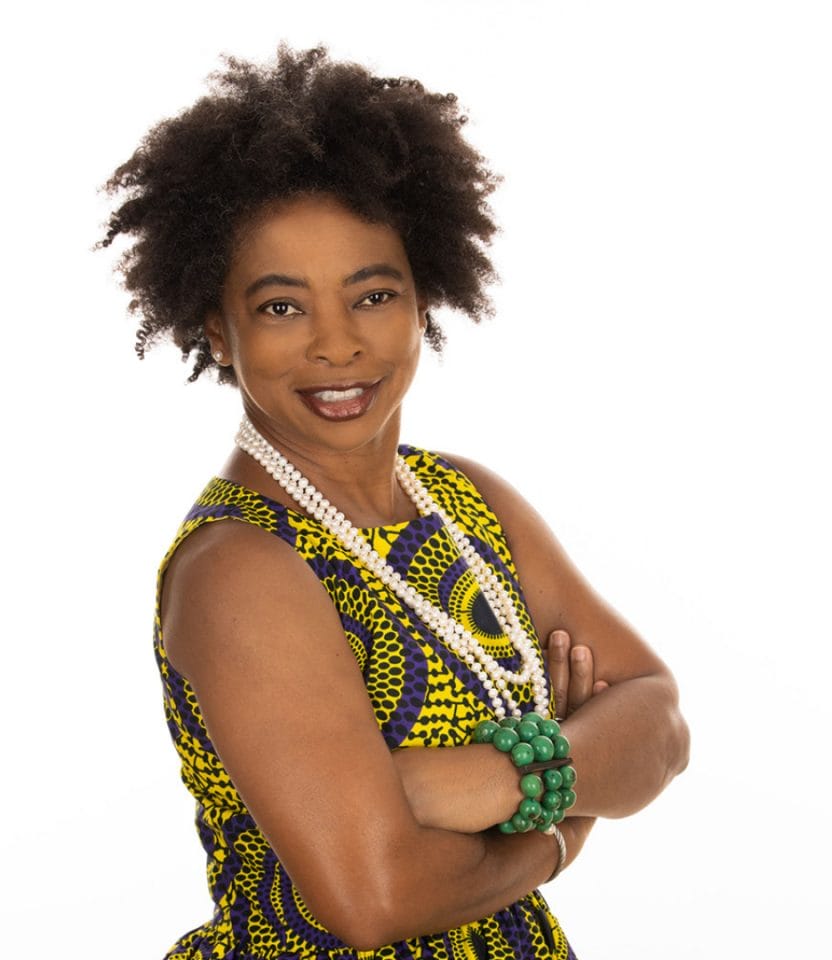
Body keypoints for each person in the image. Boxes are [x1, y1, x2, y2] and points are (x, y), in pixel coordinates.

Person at [100, 46, 689, 960]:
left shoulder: (467, 500)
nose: (337, 345)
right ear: (218, 331)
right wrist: (563, 824)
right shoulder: (241, 570)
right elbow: (373, 900)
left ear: (424, 304)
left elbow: (659, 724)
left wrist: (488, 781)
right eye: (282, 307)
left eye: (373, 295)